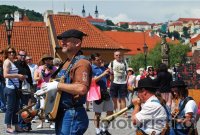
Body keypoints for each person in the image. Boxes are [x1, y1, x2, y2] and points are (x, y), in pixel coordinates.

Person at [35, 29, 92, 135]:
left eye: (66, 40)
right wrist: (46, 91)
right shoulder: (67, 62)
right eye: (62, 40)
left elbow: (82, 89)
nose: (62, 42)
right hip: (63, 112)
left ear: (77, 43)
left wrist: (57, 85)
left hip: (72, 113)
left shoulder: (82, 63)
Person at [3, 47, 26, 133]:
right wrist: (18, 76)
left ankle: (16, 126)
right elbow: (5, 75)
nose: (11, 53)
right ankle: (8, 126)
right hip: (10, 89)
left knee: (16, 108)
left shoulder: (12, 62)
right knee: (10, 108)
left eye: (13, 52)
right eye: (9, 52)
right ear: (6, 53)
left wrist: (20, 77)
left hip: (15, 88)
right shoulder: (7, 62)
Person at [91, 53, 113, 135]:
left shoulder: (103, 67)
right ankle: (97, 130)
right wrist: (103, 74)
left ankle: (104, 128)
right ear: (92, 60)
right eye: (97, 60)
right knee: (97, 113)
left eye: (100, 59)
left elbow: (110, 80)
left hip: (105, 91)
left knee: (110, 111)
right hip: (97, 92)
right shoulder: (91, 68)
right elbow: (92, 81)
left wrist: (111, 74)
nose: (100, 61)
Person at [34, 54, 57, 129]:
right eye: (46, 59)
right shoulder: (40, 68)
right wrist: (41, 73)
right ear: (44, 61)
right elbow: (35, 78)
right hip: (42, 88)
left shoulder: (54, 68)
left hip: (51, 88)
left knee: (51, 106)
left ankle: (51, 123)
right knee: (42, 107)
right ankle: (41, 123)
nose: (48, 61)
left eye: (49, 59)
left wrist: (51, 72)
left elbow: (57, 78)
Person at [14, 50, 33, 131]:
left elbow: (30, 77)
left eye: (24, 55)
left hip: (25, 89)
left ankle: (27, 125)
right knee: (20, 108)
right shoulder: (15, 65)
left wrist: (32, 88)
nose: (23, 57)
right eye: (21, 55)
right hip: (17, 89)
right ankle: (21, 125)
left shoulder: (26, 65)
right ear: (18, 56)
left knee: (25, 107)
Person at [108, 50, 128, 117]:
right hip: (114, 82)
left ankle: (123, 112)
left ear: (121, 56)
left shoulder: (124, 63)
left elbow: (127, 73)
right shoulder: (112, 63)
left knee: (123, 98)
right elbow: (109, 72)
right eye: (117, 55)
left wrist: (126, 81)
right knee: (114, 98)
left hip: (123, 82)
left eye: (119, 55)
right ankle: (114, 111)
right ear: (114, 56)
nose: (118, 56)